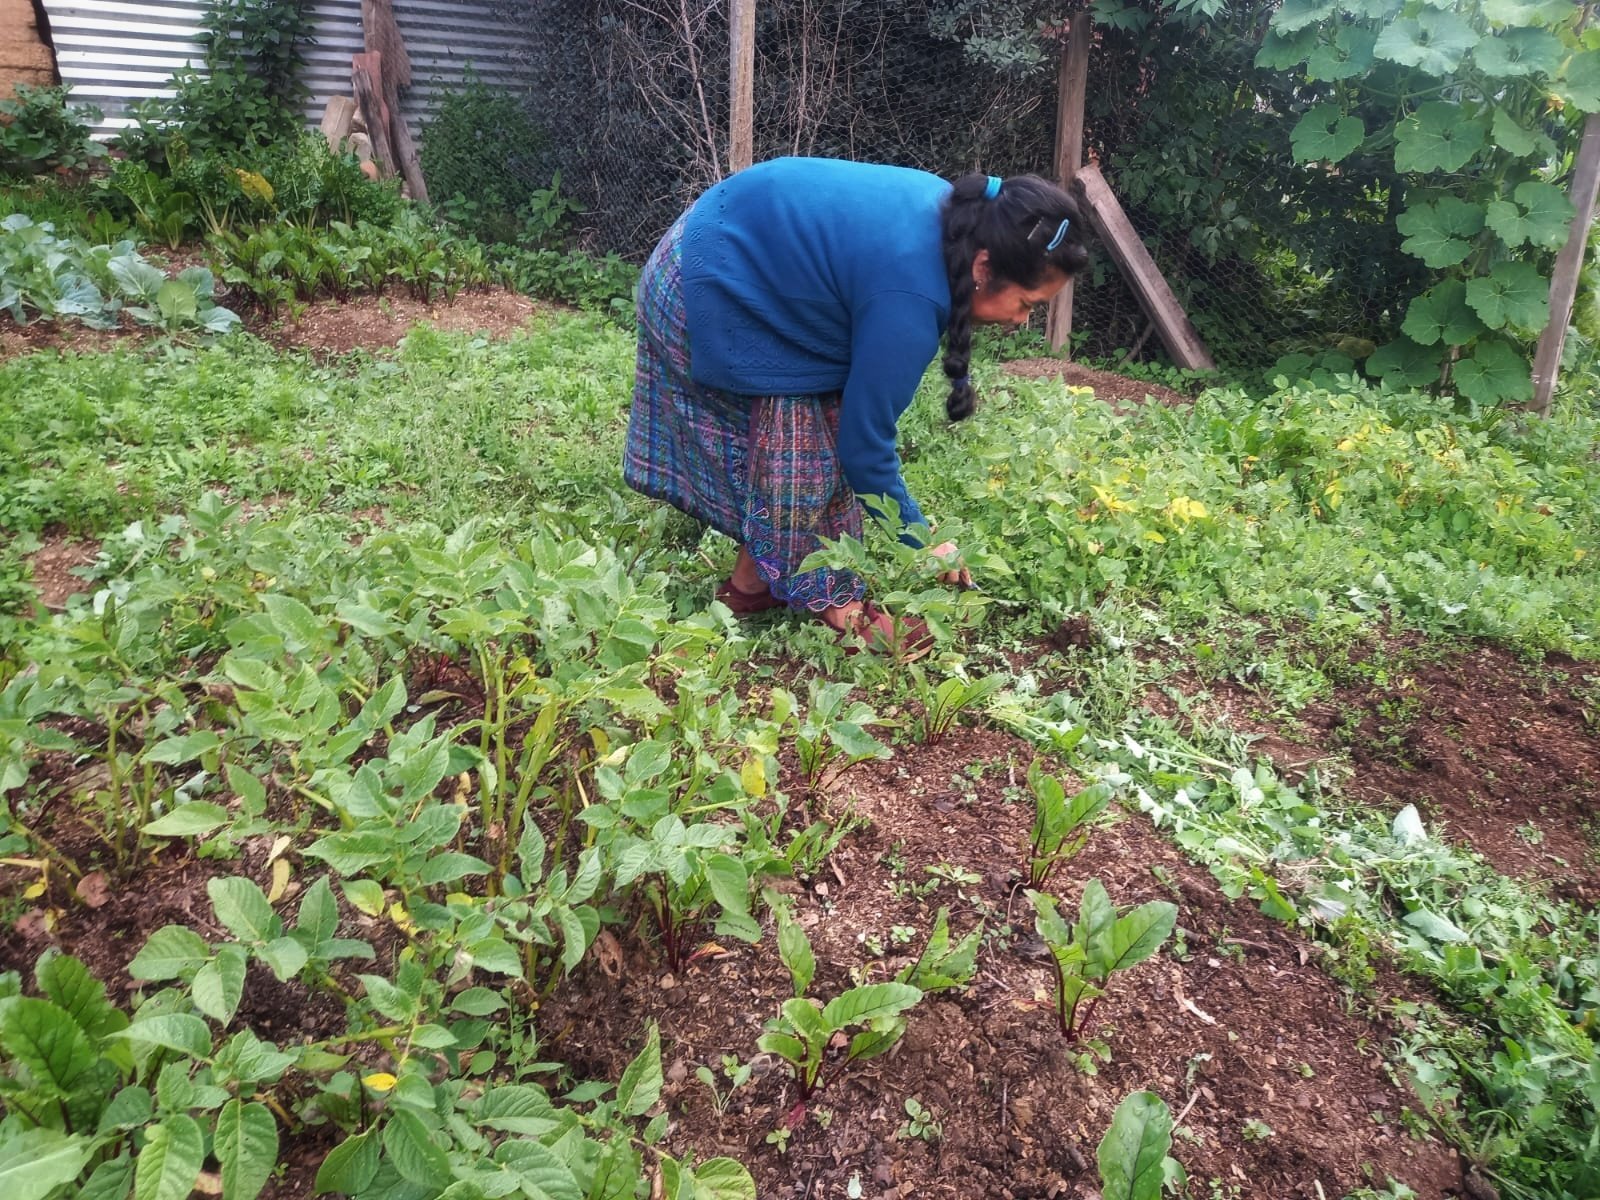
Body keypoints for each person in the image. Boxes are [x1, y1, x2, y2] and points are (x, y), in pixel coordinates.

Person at [623, 156, 1088, 653]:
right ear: (983, 267)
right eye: (1028, 304)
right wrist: (923, 543)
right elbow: (865, 449)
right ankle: (835, 605)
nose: (1022, 321)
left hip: (723, 244)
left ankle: (751, 587)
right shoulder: (912, 295)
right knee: (801, 453)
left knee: (812, 428)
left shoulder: (960, 222)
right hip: (707, 283)